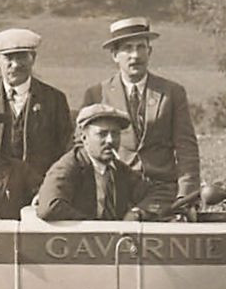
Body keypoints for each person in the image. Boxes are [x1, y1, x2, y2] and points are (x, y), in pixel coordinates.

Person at [81, 17, 201, 207]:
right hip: (114, 192)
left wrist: (186, 196)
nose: (135, 56)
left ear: (149, 51)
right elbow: (82, 148)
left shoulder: (171, 93)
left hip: (162, 192)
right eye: (127, 48)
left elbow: (186, 147)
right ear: (114, 55)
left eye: (140, 47)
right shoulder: (97, 94)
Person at [0, 27, 73, 177]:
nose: (15, 65)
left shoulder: (54, 100)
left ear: (33, 58)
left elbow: (66, 150)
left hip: (38, 188)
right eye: (9, 58)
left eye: (21, 57)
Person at [35, 103, 153, 222]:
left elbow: (153, 193)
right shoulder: (69, 166)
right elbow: (49, 207)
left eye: (115, 133)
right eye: (102, 134)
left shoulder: (118, 169)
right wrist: (95, 226)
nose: (110, 140)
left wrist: (137, 212)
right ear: (84, 138)